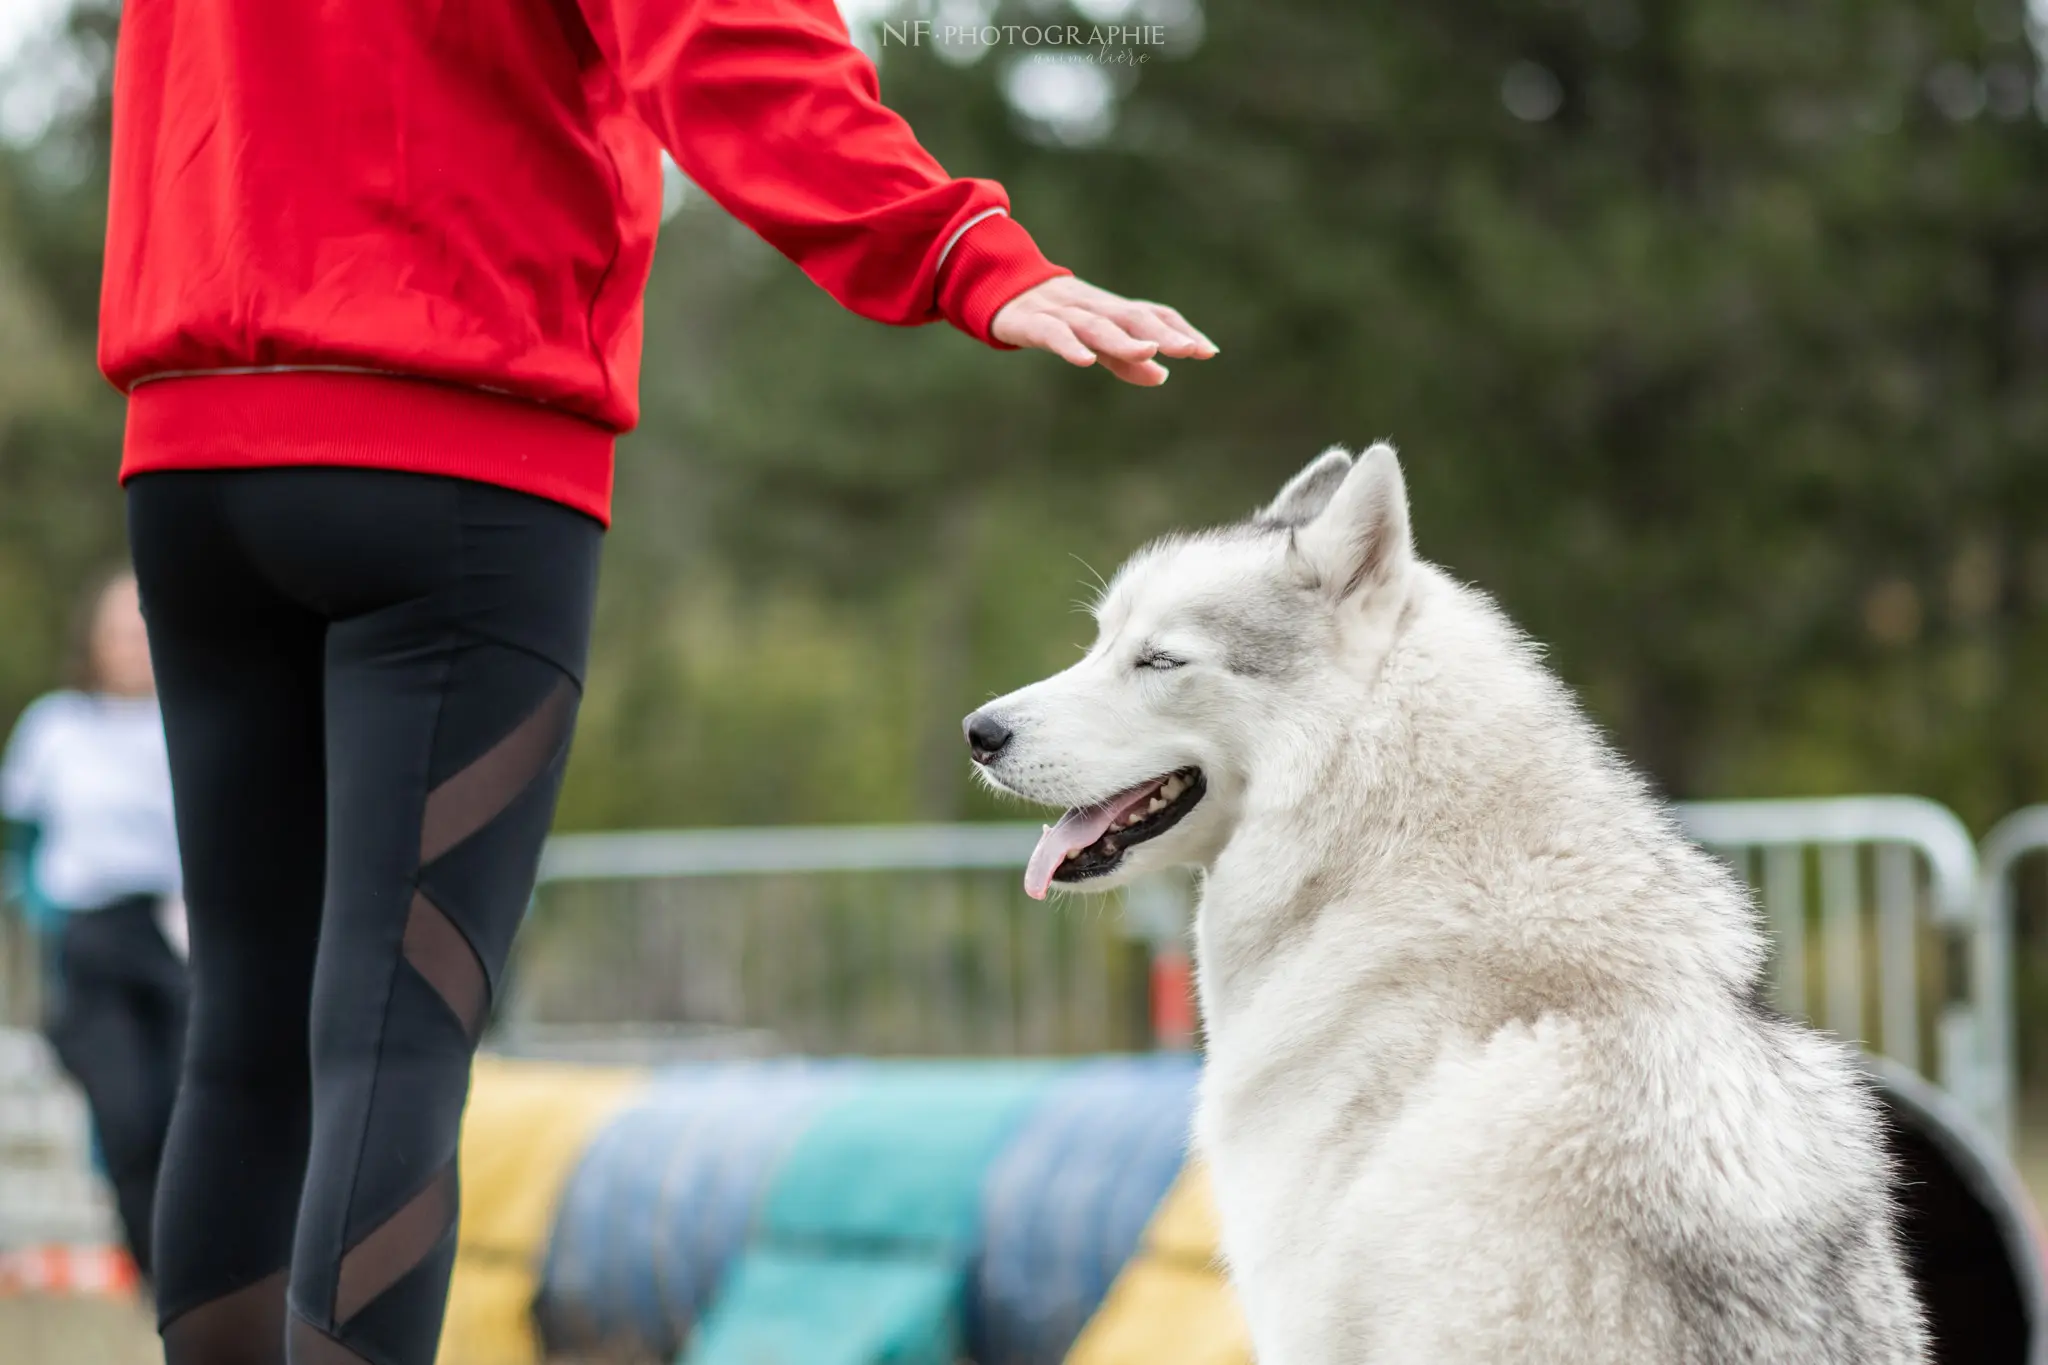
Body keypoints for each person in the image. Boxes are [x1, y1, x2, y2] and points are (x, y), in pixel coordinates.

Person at [100, 2, 1215, 1362]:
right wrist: (951, 243)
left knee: (248, 1034)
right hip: (452, 427)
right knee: (392, 1043)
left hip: (193, 449)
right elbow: (724, 37)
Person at [0, 570, 187, 1285]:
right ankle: (158, 1280)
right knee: (127, 1114)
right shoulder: (56, 726)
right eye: (119, 631)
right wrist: (44, 911)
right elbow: (26, 839)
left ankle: (205, 1276)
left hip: (178, 931)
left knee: (187, 1108)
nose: (132, 646)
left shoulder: (189, 718)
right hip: (90, 934)